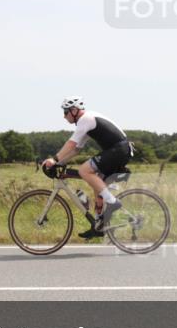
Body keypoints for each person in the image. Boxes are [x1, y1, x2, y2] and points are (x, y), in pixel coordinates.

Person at [41, 97, 131, 238]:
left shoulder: (85, 119)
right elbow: (76, 149)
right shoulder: (86, 122)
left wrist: (54, 159)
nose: (64, 116)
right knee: (97, 184)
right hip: (119, 150)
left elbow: (70, 144)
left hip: (119, 150)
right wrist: (60, 163)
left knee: (84, 170)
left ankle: (113, 203)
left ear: (74, 110)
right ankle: (98, 225)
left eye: (66, 112)